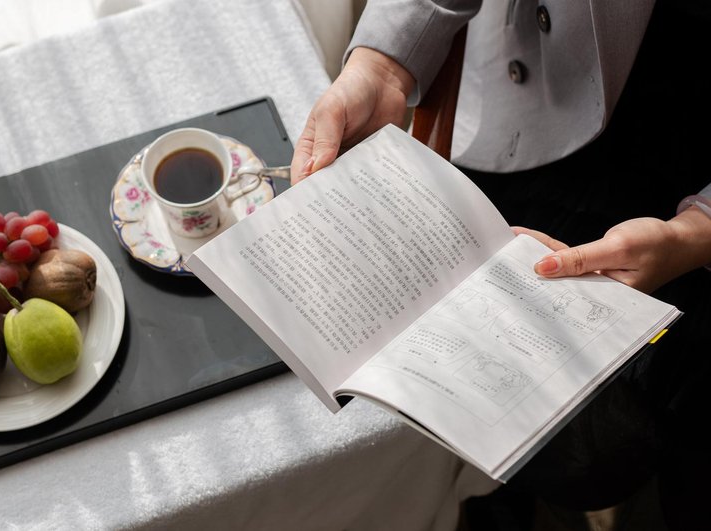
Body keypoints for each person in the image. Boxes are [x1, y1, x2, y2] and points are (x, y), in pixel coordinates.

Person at [291, 0, 711, 528]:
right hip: (528, 101)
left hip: (690, 166)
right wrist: (382, 64)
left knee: (617, 434)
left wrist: (696, 234)